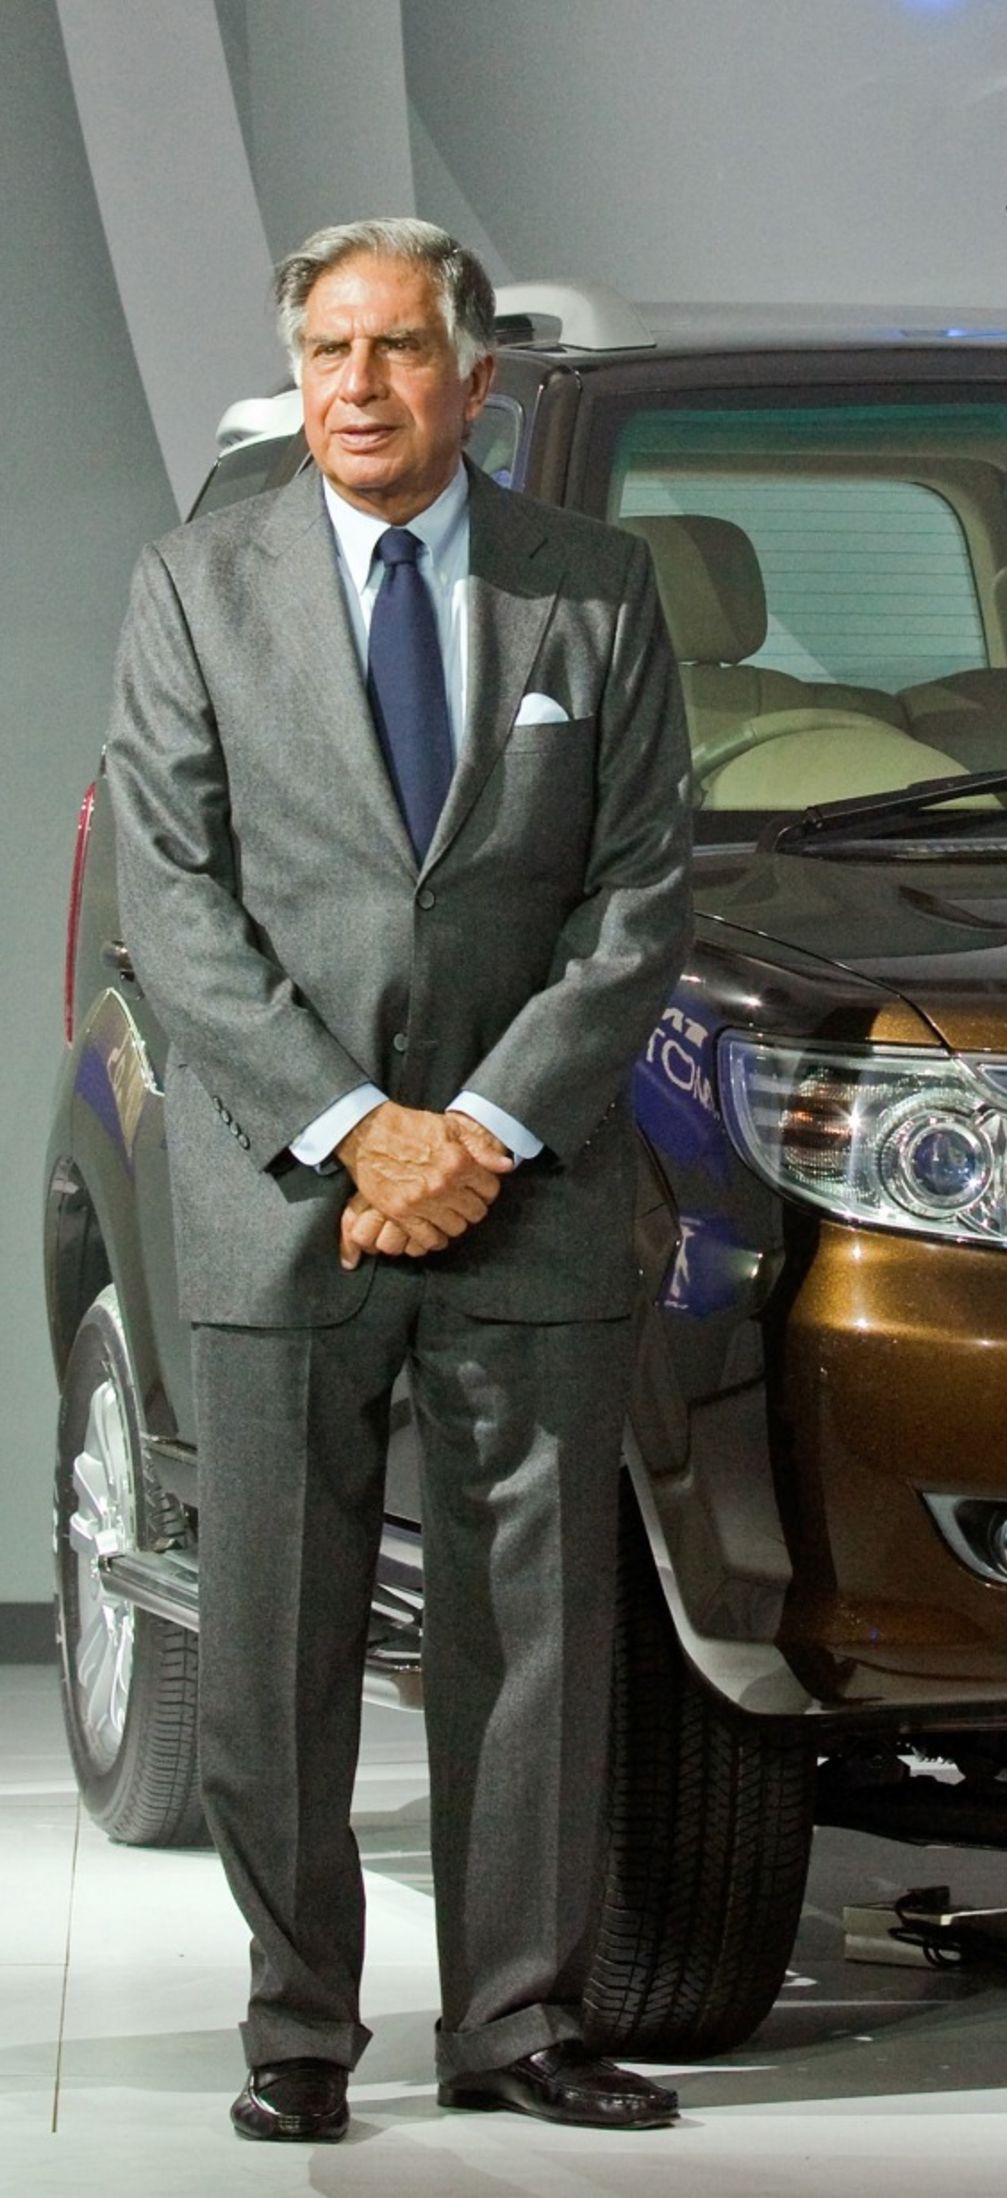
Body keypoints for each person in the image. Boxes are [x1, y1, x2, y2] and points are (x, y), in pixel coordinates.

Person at [103, 218, 693, 2139]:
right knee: (275, 1631)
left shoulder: (593, 589)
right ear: (298, 372)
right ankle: (297, 2029)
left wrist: (483, 1130)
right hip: (286, 1191)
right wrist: (362, 1129)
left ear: (476, 377)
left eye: (400, 349)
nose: (358, 387)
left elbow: (638, 895)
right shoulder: (197, 584)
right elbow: (173, 903)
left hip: (533, 1181)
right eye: (328, 352)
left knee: (535, 1631)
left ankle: (519, 2021)